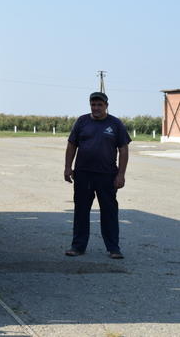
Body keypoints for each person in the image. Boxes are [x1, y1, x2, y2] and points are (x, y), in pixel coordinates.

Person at [64, 91, 130, 259]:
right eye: (93, 104)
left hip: (106, 175)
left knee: (109, 211)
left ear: (106, 106)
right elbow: (72, 145)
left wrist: (121, 174)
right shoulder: (82, 121)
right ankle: (78, 246)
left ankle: (113, 248)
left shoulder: (115, 124)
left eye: (100, 105)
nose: (96, 108)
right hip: (83, 174)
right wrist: (67, 167)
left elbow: (123, 149)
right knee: (81, 211)